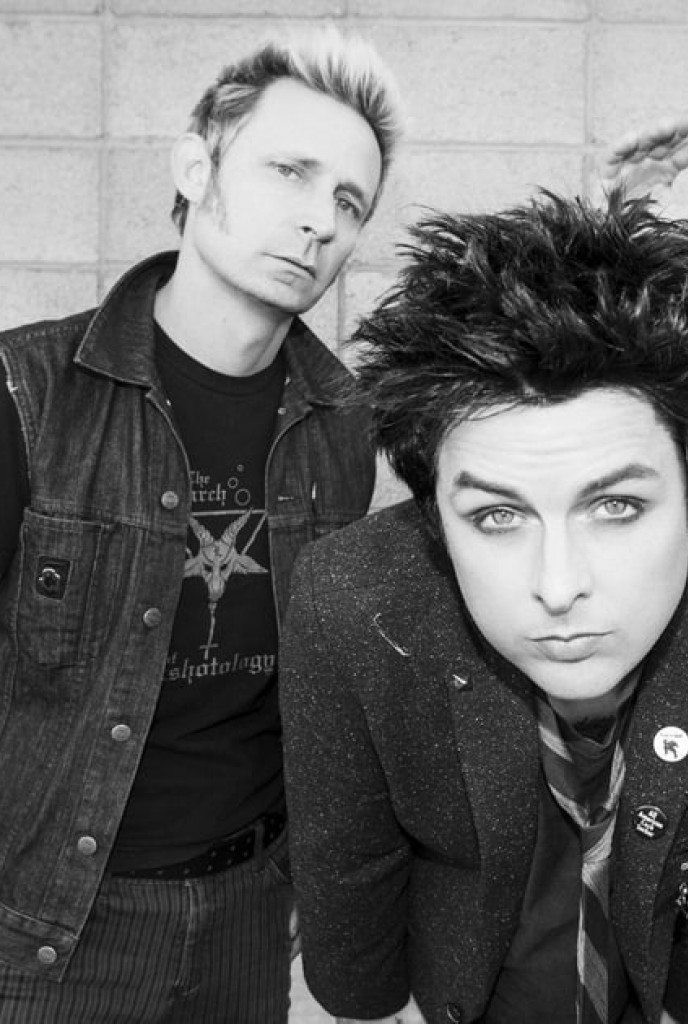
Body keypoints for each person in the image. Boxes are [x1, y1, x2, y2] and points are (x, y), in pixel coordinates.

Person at [278, 190, 688, 1024]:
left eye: (617, 507)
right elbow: (349, 879)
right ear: (434, 520)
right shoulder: (351, 599)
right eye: (497, 516)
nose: (558, 587)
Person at [0, 25, 402, 1022]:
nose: (317, 221)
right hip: (44, 927)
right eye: (289, 172)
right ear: (196, 167)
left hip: (247, 918)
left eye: (348, 202)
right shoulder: (27, 393)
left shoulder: (344, 425)